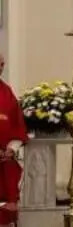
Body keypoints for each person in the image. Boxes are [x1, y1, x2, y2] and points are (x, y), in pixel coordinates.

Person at [0, 53, 26, 226]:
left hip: (6, 161)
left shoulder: (6, 91)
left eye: (2, 64)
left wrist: (11, 148)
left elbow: (18, 124)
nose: (0, 67)